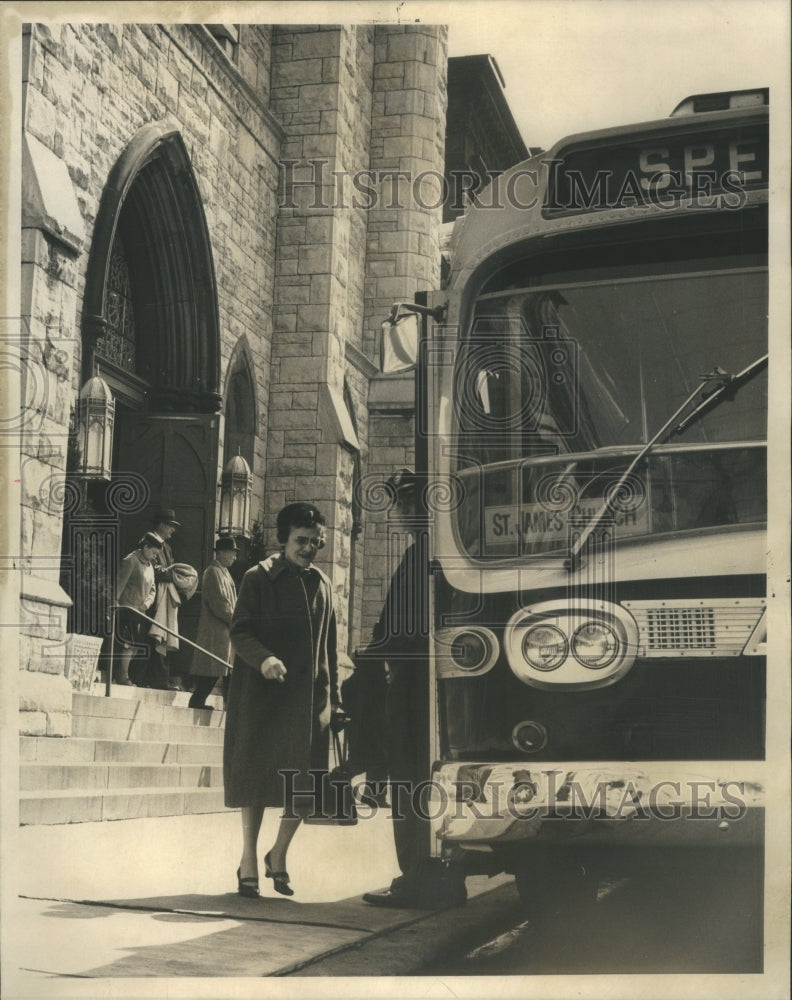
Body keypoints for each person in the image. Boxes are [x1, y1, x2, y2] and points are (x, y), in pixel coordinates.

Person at [223, 502, 347, 898]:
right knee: (257, 782)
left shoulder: (323, 585)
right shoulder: (258, 579)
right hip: (263, 699)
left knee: (303, 786)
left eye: (316, 542)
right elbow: (239, 631)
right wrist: (265, 659)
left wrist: (337, 702)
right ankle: (247, 859)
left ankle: (278, 855)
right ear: (283, 539)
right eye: (301, 541)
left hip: (311, 702)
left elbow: (331, 648)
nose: (309, 549)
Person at [357, 469, 467, 910]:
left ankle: (418, 879)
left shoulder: (422, 559)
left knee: (410, 779)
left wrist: (371, 658)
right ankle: (445, 877)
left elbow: (397, 632)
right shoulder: (443, 557)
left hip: (412, 690)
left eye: (406, 507)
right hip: (437, 690)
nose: (402, 515)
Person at [188, 537, 238, 710]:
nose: (235, 557)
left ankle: (229, 707)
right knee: (212, 670)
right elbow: (220, 604)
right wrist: (237, 621)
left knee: (226, 671)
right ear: (222, 553)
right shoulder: (212, 572)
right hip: (215, 631)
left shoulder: (224, 572)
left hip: (225, 632)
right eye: (232, 553)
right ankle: (197, 702)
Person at [114, 532, 163, 685]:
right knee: (128, 644)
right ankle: (123, 677)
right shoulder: (131, 560)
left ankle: (122, 673)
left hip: (140, 611)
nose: (155, 556)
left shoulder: (150, 566)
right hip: (127, 609)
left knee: (136, 645)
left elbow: (153, 589)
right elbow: (119, 584)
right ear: (145, 547)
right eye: (153, 552)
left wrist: (147, 603)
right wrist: (114, 602)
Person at [139, 507, 181, 690]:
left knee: (161, 637)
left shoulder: (168, 547)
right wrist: (175, 576)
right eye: (171, 526)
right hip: (148, 596)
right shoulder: (147, 540)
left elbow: (168, 569)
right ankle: (144, 678)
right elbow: (150, 568)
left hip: (163, 597)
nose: (173, 530)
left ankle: (159, 680)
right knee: (151, 637)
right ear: (162, 525)